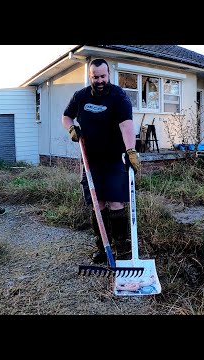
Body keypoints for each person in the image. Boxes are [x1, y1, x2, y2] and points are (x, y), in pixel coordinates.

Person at [61, 58, 141, 264]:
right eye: (95, 77)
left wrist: (130, 150)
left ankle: (121, 247)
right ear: (90, 76)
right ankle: (103, 247)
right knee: (98, 204)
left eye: (103, 76)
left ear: (109, 75)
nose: (99, 80)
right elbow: (66, 116)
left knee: (115, 203)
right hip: (90, 161)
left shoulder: (118, 96)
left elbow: (126, 126)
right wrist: (71, 128)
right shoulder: (80, 96)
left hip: (114, 159)